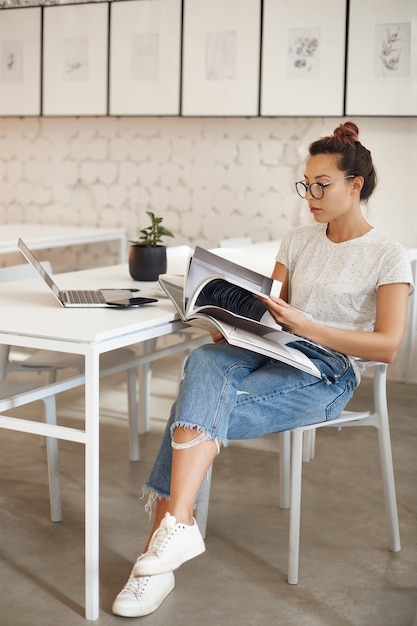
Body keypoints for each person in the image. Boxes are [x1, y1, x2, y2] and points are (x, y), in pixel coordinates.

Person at [112, 122, 414, 618]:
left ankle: (157, 558)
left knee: (194, 411)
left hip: (328, 372)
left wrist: (308, 326)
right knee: (205, 359)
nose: (310, 196)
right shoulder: (297, 240)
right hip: (275, 348)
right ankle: (177, 532)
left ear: (355, 185)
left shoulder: (388, 255)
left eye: (323, 185)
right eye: (306, 185)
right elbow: (271, 309)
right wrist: (229, 323)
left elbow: (387, 346)